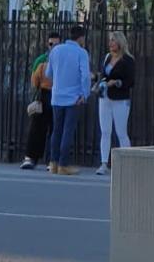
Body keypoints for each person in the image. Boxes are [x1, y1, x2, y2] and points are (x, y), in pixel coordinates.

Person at [46, 25, 91, 175]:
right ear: (81, 38)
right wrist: (84, 94)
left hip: (57, 96)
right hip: (73, 98)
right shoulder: (81, 52)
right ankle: (63, 164)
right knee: (68, 131)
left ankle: (53, 163)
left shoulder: (56, 50)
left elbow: (48, 73)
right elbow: (85, 76)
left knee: (56, 130)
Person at [95, 31, 135, 175]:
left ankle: (128, 162)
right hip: (105, 97)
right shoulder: (107, 57)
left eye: (113, 40)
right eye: (110, 40)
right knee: (105, 131)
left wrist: (117, 82)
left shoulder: (128, 60)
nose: (111, 43)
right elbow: (104, 75)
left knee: (121, 132)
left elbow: (131, 81)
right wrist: (101, 82)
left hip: (120, 99)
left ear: (120, 42)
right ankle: (104, 163)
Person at [21, 32, 61, 170]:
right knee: (39, 127)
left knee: (52, 128)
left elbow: (35, 81)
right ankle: (35, 158)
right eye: (51, 44)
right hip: (47, 94)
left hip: (54, 93)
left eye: (56, 44)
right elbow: (34, 81)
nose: (53, 47)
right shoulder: (42, 60)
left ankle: (47, 159)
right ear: (47, 44)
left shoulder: (45, 60)